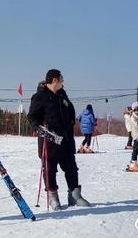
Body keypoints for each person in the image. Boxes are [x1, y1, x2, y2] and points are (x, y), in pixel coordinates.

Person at [28, 69, 90, 211]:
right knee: (50, 169)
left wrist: (71, 122)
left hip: (66, 139)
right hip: (50, 141)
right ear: (54, 80)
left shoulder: (62, 94)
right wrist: (40, 129)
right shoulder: (40, 96)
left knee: (71, 168)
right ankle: (53, 197)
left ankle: (75, 195)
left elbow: (71, 110)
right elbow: (32, 117)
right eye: (61, 79)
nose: (63, 82)